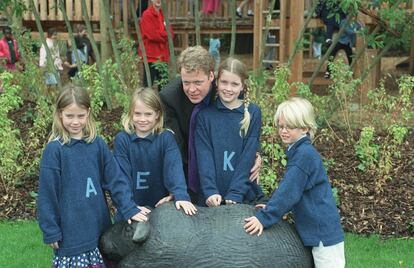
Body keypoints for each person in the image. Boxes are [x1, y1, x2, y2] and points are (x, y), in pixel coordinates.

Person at [37, 84, 148, 267]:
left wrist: (129, 208)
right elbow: (47, 195)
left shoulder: (97, 145)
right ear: (59, 114)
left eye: (80, 116)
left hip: (98, 229)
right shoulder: (54, 151)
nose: (75, 122)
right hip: (71, 235)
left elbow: (116, 180)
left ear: (88, 113)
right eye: (69, 116)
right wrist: (50, 230)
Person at [244, 97, 345, 268]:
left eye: (289, 127)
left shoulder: (304, 156)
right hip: (317, 230)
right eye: (281, 126)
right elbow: (290, 189)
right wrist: (269, 206)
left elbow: (289, 192)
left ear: (305, 127)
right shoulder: (299, 151)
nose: (283, 131)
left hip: (323, 233)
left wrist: (264, 218)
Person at [159, 46, 261, 204]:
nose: (192, 89)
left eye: (198, 82)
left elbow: (242, 124)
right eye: (186, 82)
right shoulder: (169, 98)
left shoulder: (223, 90)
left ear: (212, 77)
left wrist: (255, 154)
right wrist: (177, 189)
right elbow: (173, 147)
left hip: (226, 169)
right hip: (188, 167)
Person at [113, 87, 197, 218]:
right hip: (132, 208)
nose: (142, 119)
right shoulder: (123, 140)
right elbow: (120, 177)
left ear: (157, 114)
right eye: (137, 114)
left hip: (160, 208)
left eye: (148, 114)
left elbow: (174, 169)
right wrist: (128, 206)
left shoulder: (166, 138)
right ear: (130, 113)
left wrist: (180, 195)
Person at [195, 57, 263, 207]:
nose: (228, 88)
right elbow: (204, 155)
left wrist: (236, 191)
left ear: (242, 86)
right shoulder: (205, 116)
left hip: (242, 192)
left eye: (234, 84)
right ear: (217, 82)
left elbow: (248, 154)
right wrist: (210, 191)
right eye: (224, 82)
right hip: (212, 195)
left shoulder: (253, 113)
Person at [139, 0, 173, 88]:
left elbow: (171, 34)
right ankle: (147, 102)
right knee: (148, 86)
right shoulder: (146, 15)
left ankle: (162, 102)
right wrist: (165, 34)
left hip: (163, 56)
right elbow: (152, 35)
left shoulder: (163, 14)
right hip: (151, 56)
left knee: (164, 86)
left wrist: (161, 33)